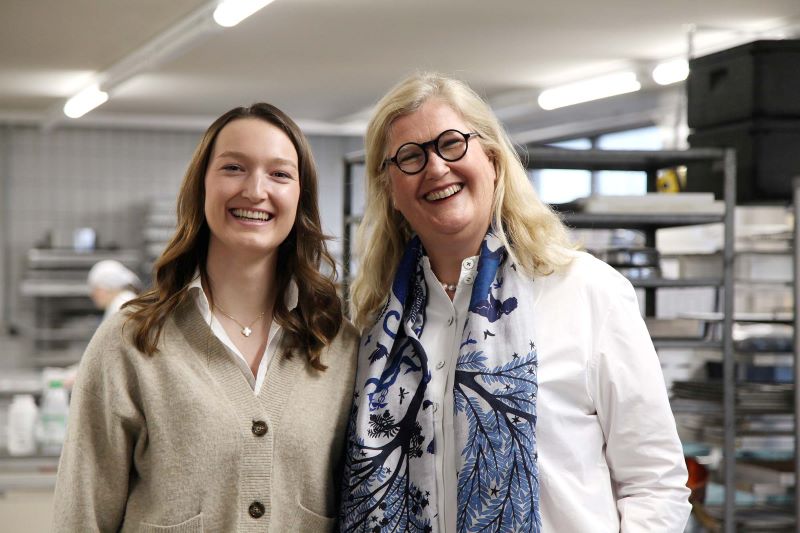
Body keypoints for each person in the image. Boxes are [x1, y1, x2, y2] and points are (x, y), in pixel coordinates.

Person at [341, 73, 691, 532]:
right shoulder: (375, 325)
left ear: (492, 158)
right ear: (389, 189)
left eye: (451, 144)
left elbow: (656, 482)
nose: (436, 168)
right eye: (410, 156)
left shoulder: (587, 292)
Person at [53, 103, 358, 532]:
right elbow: (81, 518)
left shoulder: (337, 344)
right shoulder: (130, 340)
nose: (255, 190)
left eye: (279, 174)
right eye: (234, 168)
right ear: (201, 185)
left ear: (300, 198)